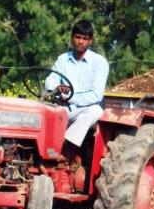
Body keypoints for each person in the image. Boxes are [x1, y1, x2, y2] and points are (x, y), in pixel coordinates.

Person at [45, 20, 109, 151]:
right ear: (72, 38)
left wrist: (69, 96)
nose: (80, 41)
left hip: (85, 109)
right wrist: (57, 87)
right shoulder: (63, 59)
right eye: (78, 37)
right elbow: (49, 82)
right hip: (62, 107)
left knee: (96, 111)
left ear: (90, 41)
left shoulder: (99, 62)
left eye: (85, 39)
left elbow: (96, 95)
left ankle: (67, 149)